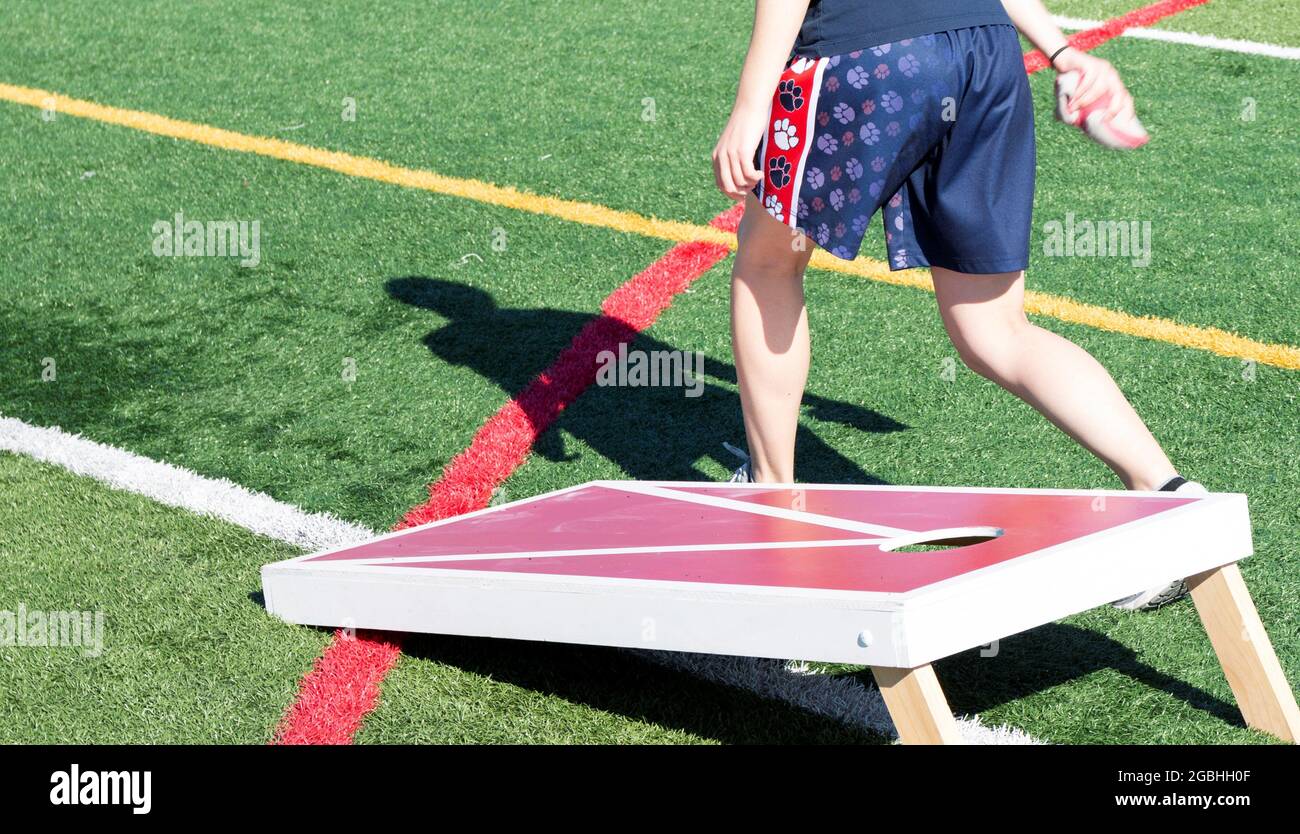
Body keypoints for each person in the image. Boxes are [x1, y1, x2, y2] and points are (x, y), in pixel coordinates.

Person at [711, 0, 1202, 611]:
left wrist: (751, 105)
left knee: (766, 264)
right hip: (986, 55)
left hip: (869, 53)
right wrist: (1061, 50)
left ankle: (773, 497)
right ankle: (1168, 490)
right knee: (995, 327)